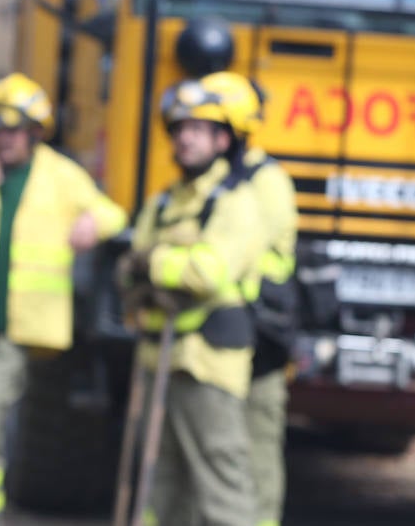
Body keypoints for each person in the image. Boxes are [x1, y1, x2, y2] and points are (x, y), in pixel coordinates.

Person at [0, 72, 127, 520]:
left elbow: (113, 213)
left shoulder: (60, 176)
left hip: (22, 323)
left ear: (35, 132)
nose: (4, 138)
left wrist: (93, 223)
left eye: (14, 129)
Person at [117, 72, 268, 526]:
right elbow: (129, 266)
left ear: (223, 139)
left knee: (220, 485)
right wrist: (145, 271)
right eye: (180, 128)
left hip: (207, 364)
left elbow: (209, 272)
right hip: (157, 359)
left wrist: (154, 263)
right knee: (160, 485)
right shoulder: (163, 203)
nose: (185, 138)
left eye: (198, 129)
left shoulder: (235, 202)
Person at [220, 74, 298, 526]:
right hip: (224, 333)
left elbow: (233, 257)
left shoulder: (264, 182)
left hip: (260, 335)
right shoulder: (215, 181)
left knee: (256, 448)